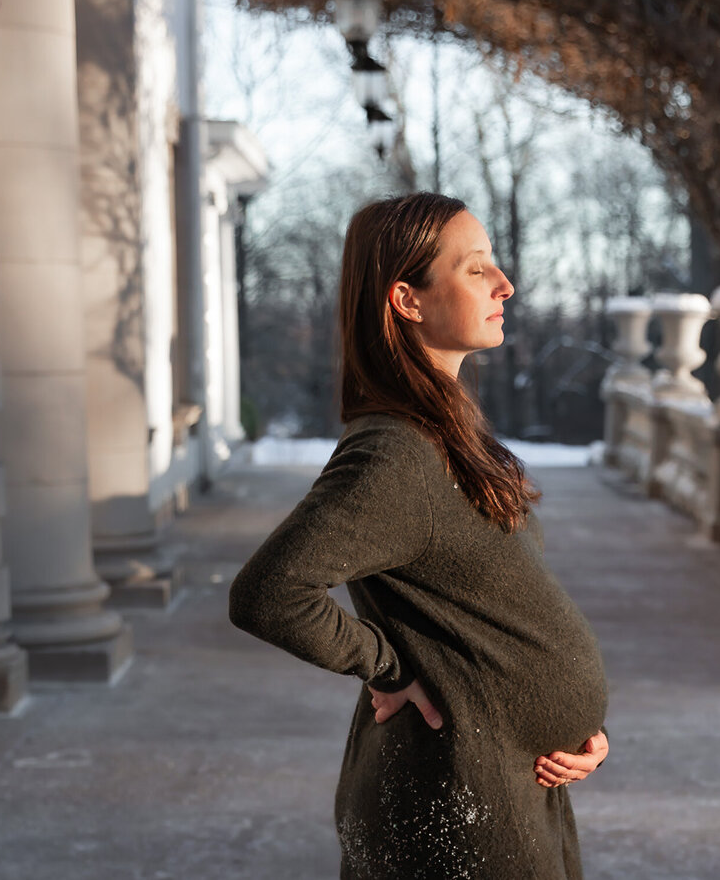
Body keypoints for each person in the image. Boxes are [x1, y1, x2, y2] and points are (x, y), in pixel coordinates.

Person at [229, 192, 610, 879]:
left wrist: (575, 725)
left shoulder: (449, 433)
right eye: (475, 269)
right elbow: (269, 591)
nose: (505, 284)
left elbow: (494, 611)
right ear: (407, 298)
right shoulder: (394, 452)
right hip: (455, 793)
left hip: (510, 782)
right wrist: (390, 666)